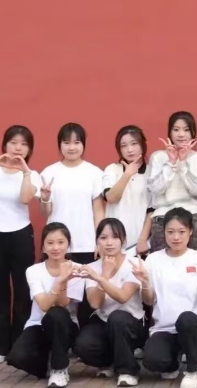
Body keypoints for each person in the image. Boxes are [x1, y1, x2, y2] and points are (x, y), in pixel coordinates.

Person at [136, 208, 197, 388]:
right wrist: (145, 281)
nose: (176, 237)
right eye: (170, 232)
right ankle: (172, 363)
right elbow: (148, 301)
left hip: (194, 328)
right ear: (164, 232)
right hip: (164, 328)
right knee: (153, 361)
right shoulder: (153, 260)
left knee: (186, 319)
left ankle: (193, 371)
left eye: (181, 231)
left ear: (191, 231)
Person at [40, 122, 104, 328]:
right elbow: (45, 212)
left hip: (86, 243)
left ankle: (82, 339)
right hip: (58, 246)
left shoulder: (94, 173)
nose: (71, 147)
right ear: (59, 145)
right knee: (61, 297)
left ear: (83, 144)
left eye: (77, 142)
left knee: (85, 300)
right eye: (66, 142)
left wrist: (99, 241)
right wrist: (45, 198)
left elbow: (98, 210)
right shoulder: (49, 172)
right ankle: (62, 337)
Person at [6, 223, 85, 388]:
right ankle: (49, 360)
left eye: (61, 242)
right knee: (17, 357)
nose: (55, 247)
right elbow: (44, 305)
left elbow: (62, 304)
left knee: (56, 314)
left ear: (68, 245)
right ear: (43, 246)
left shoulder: (77, 269)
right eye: (50, 243)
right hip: (38, 325)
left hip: (65, 325)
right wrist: (61, 279)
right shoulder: (33, 271)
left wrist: (64, 279)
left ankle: (59, 369)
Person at [73, 218, 147, 387]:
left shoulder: (134, 263)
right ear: (97, 241)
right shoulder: (92, 267)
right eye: (103, 238)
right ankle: (110, 362)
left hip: (131, 322)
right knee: (83, 346)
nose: (109, 243)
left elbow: (123, 297)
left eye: (115, 237)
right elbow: (95, 303)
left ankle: (128, 371)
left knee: (118, 318)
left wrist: (99, 278)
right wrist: (104, 274)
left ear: (123, 241)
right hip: (103, 321)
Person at [0, 125, 40, 361]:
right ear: (5, 144)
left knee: (23, 290)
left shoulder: (32, 174)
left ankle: (18, 344)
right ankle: (1, 346)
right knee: (1, 292)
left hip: (21, 235)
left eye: (24, 144)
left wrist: (25, 172)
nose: (18, 148)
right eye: (13, 142)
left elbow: (25, 199)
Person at [147, 111, 197, 253]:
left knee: (195, 264)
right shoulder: (158, 157)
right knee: (161, 265)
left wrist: (182, 163)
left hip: (191, 216)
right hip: (162, 218)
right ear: (170, 133)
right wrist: (171, 163)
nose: (181, 134)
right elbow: (156, 189)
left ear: (193, 132)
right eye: (176, 130)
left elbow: (196, 190)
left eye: (186, 130)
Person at [103, 125, 152, 256]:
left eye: (134, 144)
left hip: (139, 244)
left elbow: (152, 210)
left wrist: (143, 239)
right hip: (113, 242)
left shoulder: (151, 172)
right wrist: (127, 174)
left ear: (142, 145)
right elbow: (111, 198)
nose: (129, 150)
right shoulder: (112, 169)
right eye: (124, 146)